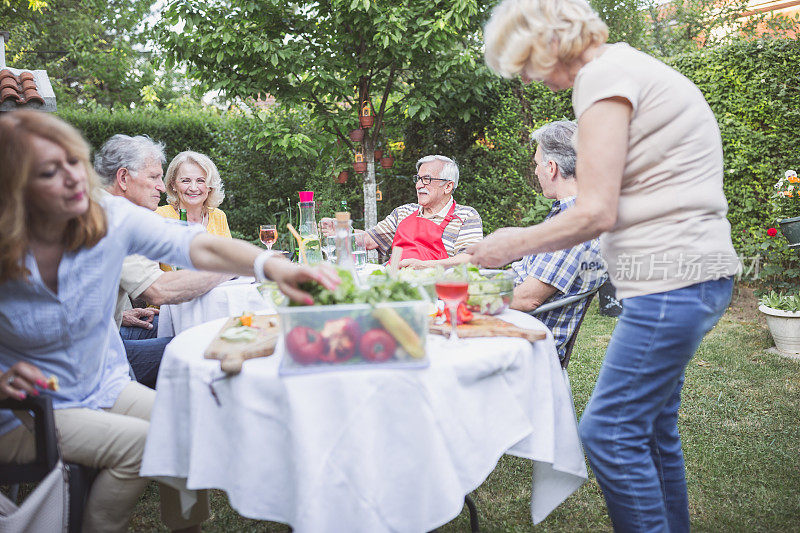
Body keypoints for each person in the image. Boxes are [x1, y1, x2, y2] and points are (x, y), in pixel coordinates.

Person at [0, 110, 338, 533]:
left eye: (74, 162)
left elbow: (197, 245)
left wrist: (272, 265)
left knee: (185, 425)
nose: (73, 178)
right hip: (25, 409)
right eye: (51, 170)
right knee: (144, 446)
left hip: (104, 384)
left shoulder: (108, 216)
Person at [474, 1, 739, 531]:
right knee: (654, 431)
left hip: (674, 281)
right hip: (691, 275)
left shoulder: (602, 78)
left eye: (523, 61)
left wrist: (513, 242)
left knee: (610, 434)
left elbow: (595, 210)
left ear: (546, 42)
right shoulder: (626, 68)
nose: (526, 76)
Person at [94, 135, 230, 388]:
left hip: (112, 330)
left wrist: (121, 314)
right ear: (123, 178)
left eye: (201, 181)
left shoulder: (108, 210)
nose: (161, 186)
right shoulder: (112, 219)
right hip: (96, 357)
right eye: (155, 177)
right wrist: (230, 268)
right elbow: (159, 290)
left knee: (197, 334)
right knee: (205, 345)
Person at [508, 120, 606, 362]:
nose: (535, 171)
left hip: (525, 341)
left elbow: (527, 298)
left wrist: (467, 299)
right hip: (518, 326)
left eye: (536, 165)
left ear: (551, 168)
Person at [320, 155, 483, 268]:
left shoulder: (466, 216)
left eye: (427, 180)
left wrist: (425, 267)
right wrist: (342, 230)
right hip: (394, 284)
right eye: (418, 179)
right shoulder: (404, 211)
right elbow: (369, 240)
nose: (419, 185)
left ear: (448, 186)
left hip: (436, 291)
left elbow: (469, 259)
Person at [156, 150, 231, 238]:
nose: (193, 188)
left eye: (200, 181)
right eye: (185, 181)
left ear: (210, 185)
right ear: (173, 185)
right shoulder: (159, 217)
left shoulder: (218, 216)